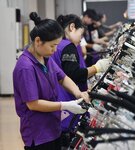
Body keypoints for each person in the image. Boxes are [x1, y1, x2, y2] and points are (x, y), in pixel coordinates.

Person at [13, 12, 90, 150]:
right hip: (38, 133)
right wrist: (64, 105)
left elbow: (63, 77)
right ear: (38, 41)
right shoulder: (26, 67)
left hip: (53, 126)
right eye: (52, 46)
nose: (55, 51)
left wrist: (78, 93)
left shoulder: (45, 59)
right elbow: (33, 104)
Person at [51, 14, 111, 148]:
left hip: (59, 99)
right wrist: (97, 68)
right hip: (67, 100)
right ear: (72, 27)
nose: (81, 38)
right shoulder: (68, 46)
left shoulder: (57, 46)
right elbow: (74, 74)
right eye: (81, 33)